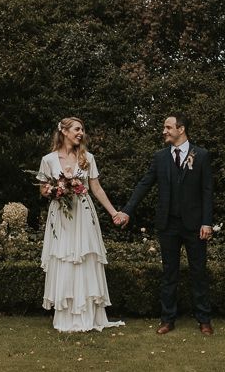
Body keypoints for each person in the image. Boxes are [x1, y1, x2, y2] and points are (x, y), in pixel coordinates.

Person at [119, 113, 214, 335]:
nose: (164, 131)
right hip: (168, 224)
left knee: (198, 273)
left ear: (181, 129)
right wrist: (126, 211)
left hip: (194, 225)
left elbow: (207, 192)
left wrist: (207, 222)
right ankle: (167, 319)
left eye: (168, 127)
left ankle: (204, 320)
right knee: (169, 273)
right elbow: (145, 184)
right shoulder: (160, 157)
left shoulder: (201, 155)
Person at [37, 117, 128, 333]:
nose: (81, 133)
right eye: (77, 129)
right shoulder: (48, 159)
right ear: (65, 131)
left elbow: (96, 188)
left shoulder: (87, 158)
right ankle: (66, 316)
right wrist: (56, 190)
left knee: (84, 257)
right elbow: (42, 189)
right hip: (61, 215)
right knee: (64, 257)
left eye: (82, 130)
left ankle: (88, 313)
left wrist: (114, 212)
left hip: (83, 214)